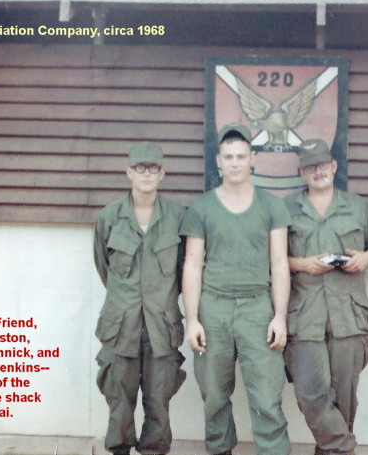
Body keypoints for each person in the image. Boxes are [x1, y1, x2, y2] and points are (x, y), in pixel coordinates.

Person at [181, 123, 291, 455]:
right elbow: (192, 264)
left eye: (241, 156)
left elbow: (280, 263)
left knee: (267, 397)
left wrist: (280, 316)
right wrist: (192, 319)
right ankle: (220, 450)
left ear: (252, 159)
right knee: (214, 395)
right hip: (213, 308)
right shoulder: (201, 208)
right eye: (228, 156)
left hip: (258, 308)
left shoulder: (272, 206)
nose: (235, 162)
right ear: (219, 160)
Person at [284, 139, 368, 455]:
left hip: (349, 316)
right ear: (302, 172)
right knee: (310, 393)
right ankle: (345, 449)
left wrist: (366, 259)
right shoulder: (286, 209)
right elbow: (270, 258)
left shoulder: (357, 206)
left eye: (323, 164)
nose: (318, 171)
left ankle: (331, 451)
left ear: (334, 166)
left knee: (344, 400)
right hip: (304, 316)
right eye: (310, 166)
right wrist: (302, 264)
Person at [93, 142, 187, 455]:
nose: (146, 174)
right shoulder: (109, 217)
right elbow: (104, 268)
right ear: (129, 172)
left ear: (162, 173)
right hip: (121, 325)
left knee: (159, 400)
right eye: (140, 168)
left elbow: (182, 271)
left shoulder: (177, 217)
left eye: (153, 168)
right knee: (119, 400)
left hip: (161, 326)